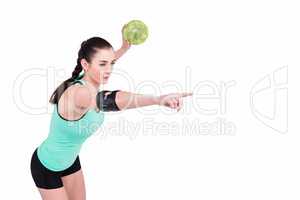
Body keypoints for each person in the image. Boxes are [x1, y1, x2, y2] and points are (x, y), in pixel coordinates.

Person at [30, 26, 192, 200]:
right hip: (47, 167)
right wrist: (157, 99)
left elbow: (104, 62)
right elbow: (108, 100)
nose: (109, 70)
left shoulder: (89, 78)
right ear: (85, 64)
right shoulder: (78, 93)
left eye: (111, 63)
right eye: (102, 64)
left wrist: (123, 49)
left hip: (70, 161)